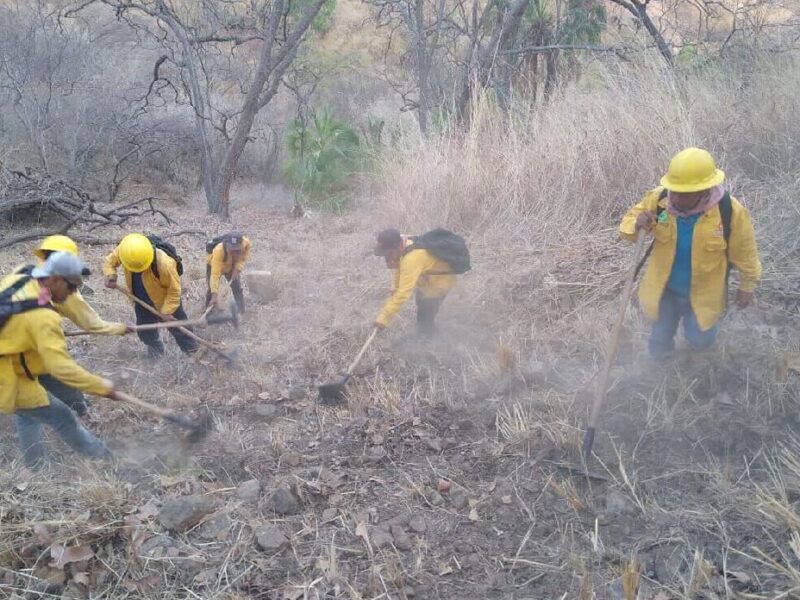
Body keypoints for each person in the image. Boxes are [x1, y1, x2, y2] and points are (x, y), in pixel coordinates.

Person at [620, 147, 762, 358]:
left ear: (704, 190)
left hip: (704, 294)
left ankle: (695, 364)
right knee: (659, 337)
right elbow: (627, 227)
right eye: (673, 189)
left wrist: (747, 285)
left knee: (700, 340)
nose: (674, 197)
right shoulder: (659, 200)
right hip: (665, 290)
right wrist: (636, 223)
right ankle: (661, 368)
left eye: (683, 193)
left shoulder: (730, 212)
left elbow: (746, 253)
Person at [0, 252, 118, 469]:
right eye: (72, 287)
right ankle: (102, 458)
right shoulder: (43, 316)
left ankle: (36, 466)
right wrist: (101, 387)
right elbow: (60, 367)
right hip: (7, 374)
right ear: (54, 279)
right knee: (59, 416)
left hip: (15, 363)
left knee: (32, 412)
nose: (74, 293)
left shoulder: (21, 276)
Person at [12, 235, 131, 416]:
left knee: (27, 411)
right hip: (25, 354)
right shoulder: (62, 291)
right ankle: (83, 413)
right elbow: (92, 325)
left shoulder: (24, 274)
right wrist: (121, 328)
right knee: (52, 395)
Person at [103, 233, 197, 358]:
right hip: (140, 298)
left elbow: (174, 291)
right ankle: (155, 350)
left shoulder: (165, 263)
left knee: (180, 328)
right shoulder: (127, 250)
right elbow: (109, 262)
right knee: (145, 331)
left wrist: (167, 311)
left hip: (165, 299)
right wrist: (111, 275)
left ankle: (192, 352)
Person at [373, 228, 456, 337]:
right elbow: (399, 265)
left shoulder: (412, 259)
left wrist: (383, 320)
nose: (387, 257)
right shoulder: (404, 241)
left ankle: (426, 340)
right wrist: (395, 286)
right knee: (421, 302)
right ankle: (423, 330)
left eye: (388, 253)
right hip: (427, 279)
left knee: (427, 310)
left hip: (440, 283)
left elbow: (403, 294)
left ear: (396, 247)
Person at [205, 233, 250, 314]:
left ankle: (241, 311)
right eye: (232, 250)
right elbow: (214, 275)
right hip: (214, 264)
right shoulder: (218, 251)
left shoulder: (245, 243)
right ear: (227, 246)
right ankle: (208, 313)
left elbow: (244, 256)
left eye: (237, 250)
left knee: (237, 287)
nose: (234, 253)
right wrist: (215, 295)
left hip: (232, 265)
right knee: (211, 290)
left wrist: (237, 268)